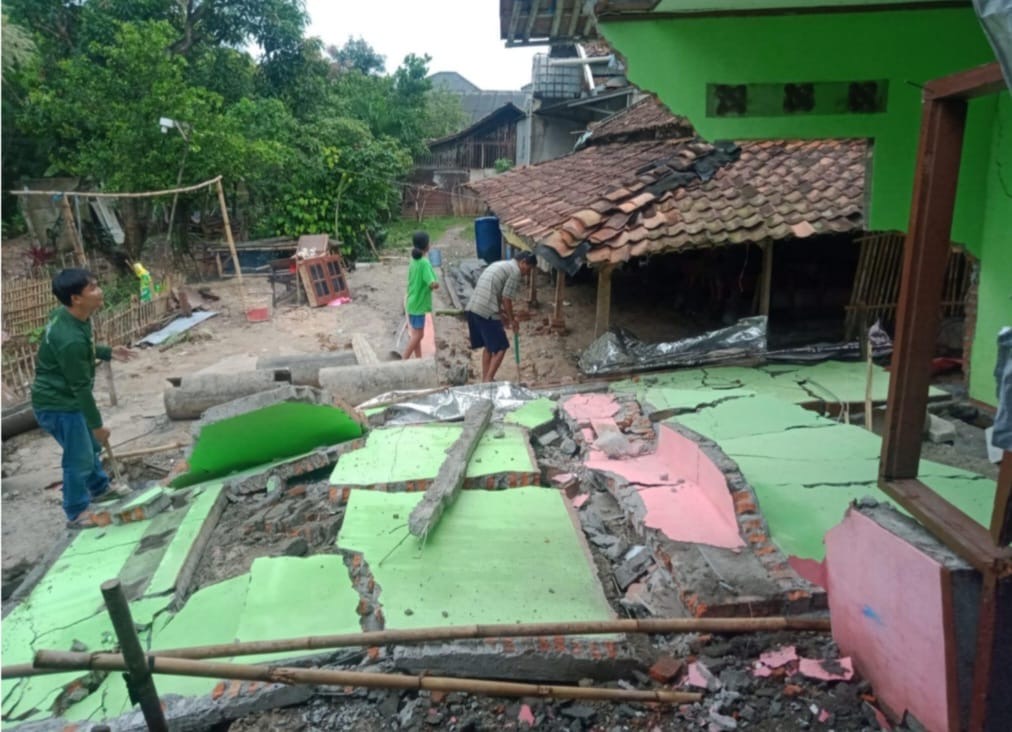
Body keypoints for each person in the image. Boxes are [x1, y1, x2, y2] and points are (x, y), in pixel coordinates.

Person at [32, 268, 137, 529]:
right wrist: (97, 426)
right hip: (59, 403)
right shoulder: (68, 339)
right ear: (75, 298)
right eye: (92, 288)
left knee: (89, 449)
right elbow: (80, 387)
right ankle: (76, 511)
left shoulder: (70, 316)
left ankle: (100, 489)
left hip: (64, 397)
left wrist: (107, 351)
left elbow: (83, 349)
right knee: (79, 455)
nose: (99, 291)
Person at [465, 252, 536, 382]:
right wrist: (512, 319)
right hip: (486, 311)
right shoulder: (515, 272)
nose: (527, 273)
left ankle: (485, 380)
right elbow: (506, 298)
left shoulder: (501, 264)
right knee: (501, 347)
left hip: (473, 308)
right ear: (523, 262)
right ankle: (488, 380)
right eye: (529, 269)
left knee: (489, 346)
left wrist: (503, 315)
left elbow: (495, 293)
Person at [402, 231, 439, 360]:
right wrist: (436, 285)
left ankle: (418, 359)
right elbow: (431, 283)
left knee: (415, 334)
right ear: (427, 246)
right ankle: (404, 359)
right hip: (419, 304)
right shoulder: (424, 263)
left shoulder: (413, 260)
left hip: (411, 302)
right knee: (419, 335)